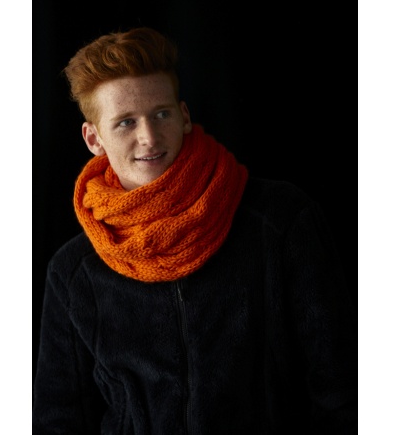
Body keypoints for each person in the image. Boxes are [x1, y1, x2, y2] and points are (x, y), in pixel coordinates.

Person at [32, 26, 357, 434]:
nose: (149, 137)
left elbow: (341, 389)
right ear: (93, 138)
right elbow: (58, 420)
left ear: (184, 115)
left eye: (161, 114)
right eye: (126, 123)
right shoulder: (74, 270)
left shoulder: (280, 222)